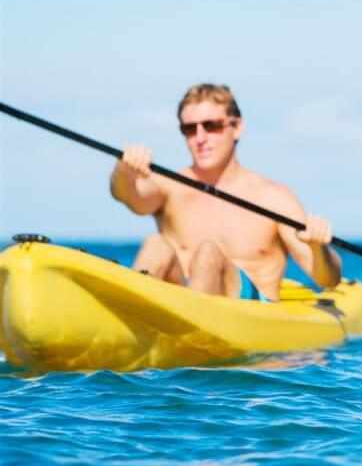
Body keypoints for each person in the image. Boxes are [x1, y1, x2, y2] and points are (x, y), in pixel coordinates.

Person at [110, 83, 341, 302]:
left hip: (251, 316)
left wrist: (318, 247)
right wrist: (124, 170)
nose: (200, 138)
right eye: (189, 129)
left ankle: (194, 333)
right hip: (184, 308)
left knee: (208, 254)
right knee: (156, 244)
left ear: (237, 127)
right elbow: (128, 196)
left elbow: (327, 279)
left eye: (212, 126)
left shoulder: (274, 198)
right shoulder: (170, 186)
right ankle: (127, 327)